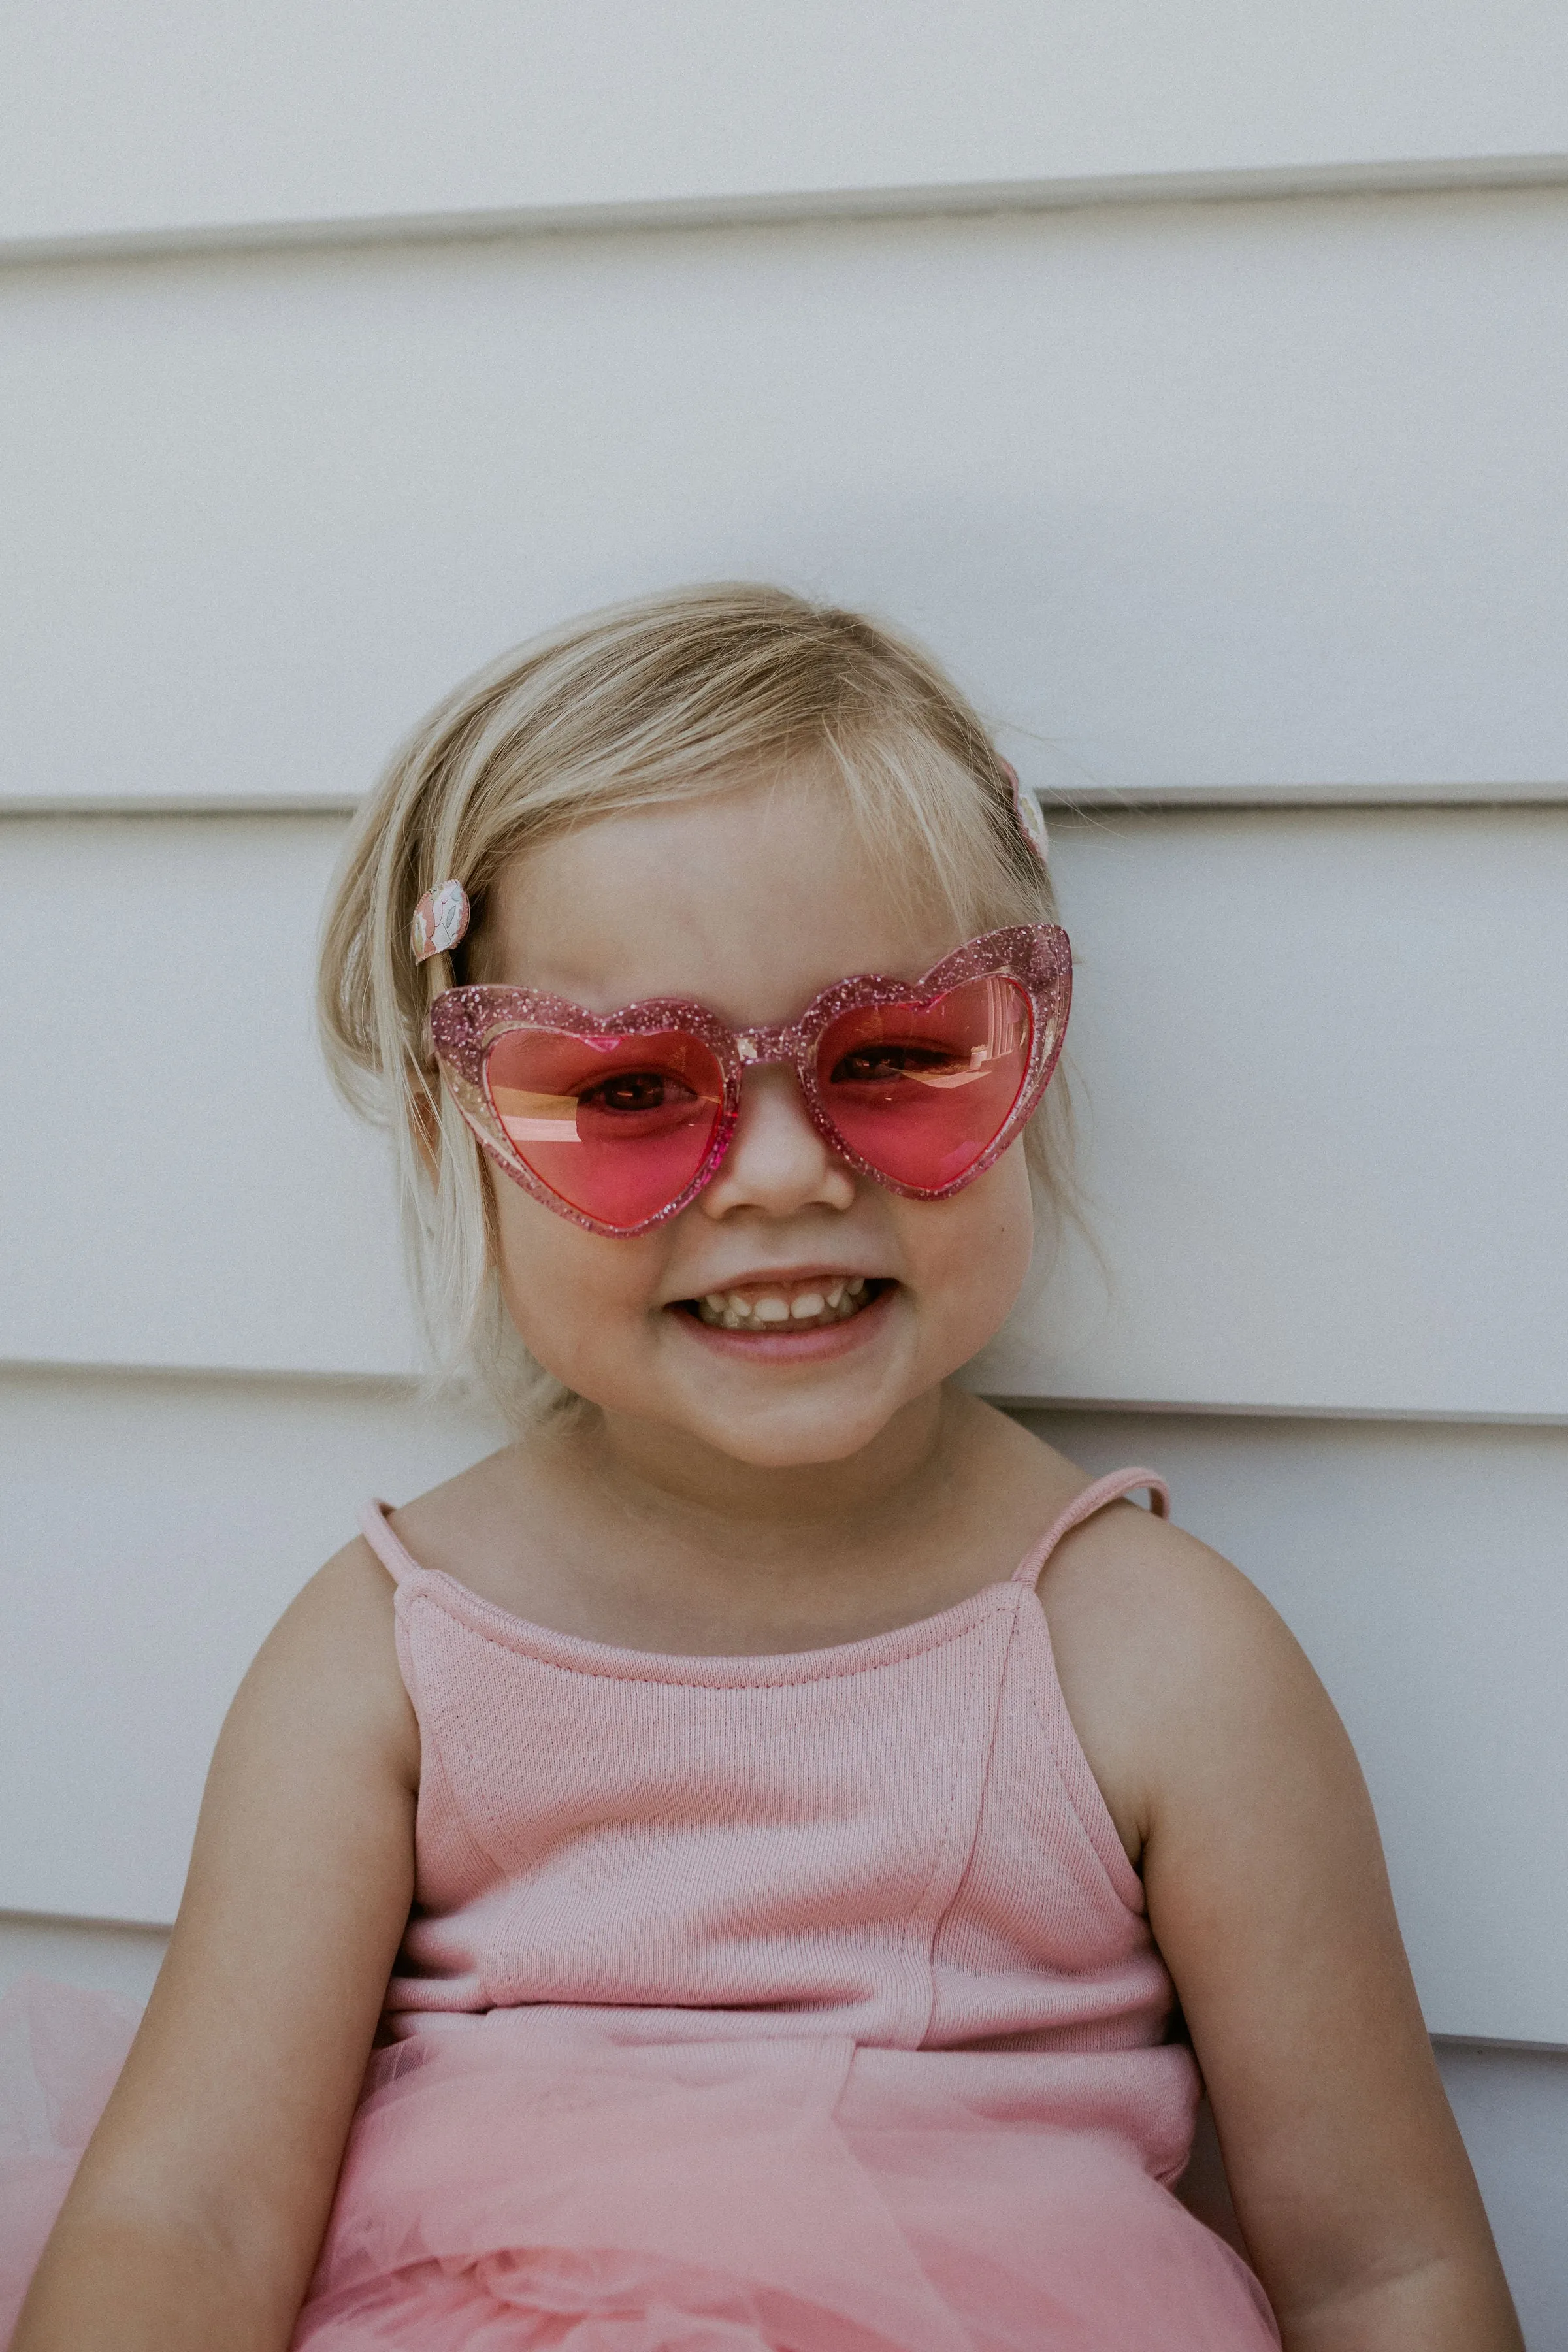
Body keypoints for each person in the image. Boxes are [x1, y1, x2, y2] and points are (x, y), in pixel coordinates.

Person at [7, 587, 1521, 2350]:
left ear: (1029, 1055)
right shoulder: (397, 1653)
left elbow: (1381, 2267)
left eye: (896, 1060)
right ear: (461, 1136)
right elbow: (189, 2211)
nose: (785, 1174)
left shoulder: (1152, 1655)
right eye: (632, 1090)